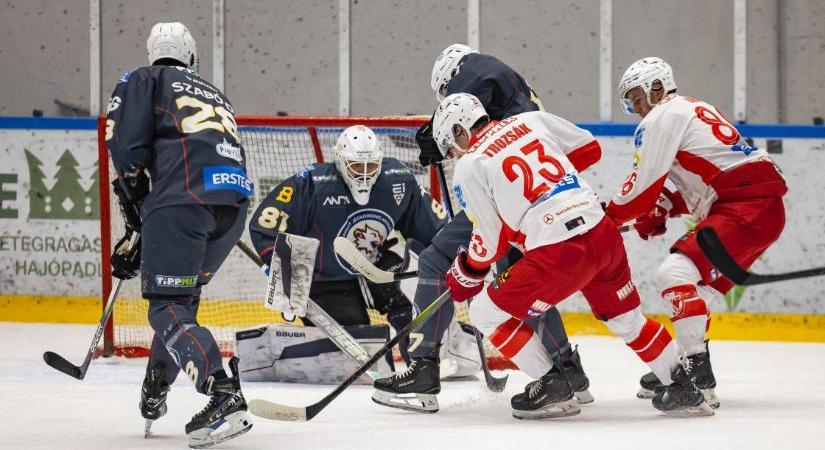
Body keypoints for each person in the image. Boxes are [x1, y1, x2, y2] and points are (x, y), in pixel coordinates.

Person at [433, 93, 714, 419]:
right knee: (628, 321)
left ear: (459, 130)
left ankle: (551, 387)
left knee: (484, 312)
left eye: (451, 146)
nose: (454, 154)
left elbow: (491, 241)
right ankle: (683, 389)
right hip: (601, 231)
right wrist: (554, 189)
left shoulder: (470, 165)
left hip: (558, 251)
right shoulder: (529, 120)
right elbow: (589, 149)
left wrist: (466, 271)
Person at [373, 44, 598, 413]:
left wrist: (436, 127)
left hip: (509, 202)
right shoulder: (515, 92)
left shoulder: (475, 68)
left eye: (446, 95)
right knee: (522, 282)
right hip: (536, 202)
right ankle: (568, 370)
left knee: (433, 261)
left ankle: (422, 369)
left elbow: (469, 93)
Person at [605, 57, 788, 408]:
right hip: (759, 206)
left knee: (673, 272)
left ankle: (697, 377)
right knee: (695, 285)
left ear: (658, 87)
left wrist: (612, 217)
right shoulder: (693, 108)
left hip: (744, 206)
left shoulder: (662, 117)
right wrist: (662, 207)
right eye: (631, 102)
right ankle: (681, 363)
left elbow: (641, 186)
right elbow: (704, 181)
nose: (637, 107)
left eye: (638, 97)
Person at [105, 22, 253, 447]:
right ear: (191, 55)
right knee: (181, 304)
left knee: (166, 305)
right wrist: (149, 228)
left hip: (182, 203)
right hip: (231, 207)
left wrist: (138, 212)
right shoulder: (214, 93)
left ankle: (221, 390)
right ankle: (157, 385)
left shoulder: (142, 78)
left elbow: (126, 148)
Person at [248, 125, 448, 364]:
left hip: (378, 264)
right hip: (327, 278)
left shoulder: (398, 180)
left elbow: (435, 229)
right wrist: (279, 266)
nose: (364, 175)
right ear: (341, 161)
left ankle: (422, 362)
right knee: (354, 348)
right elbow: (266, 222)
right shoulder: (313, 184)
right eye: (356, 166)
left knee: (409, 298)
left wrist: (456, 257)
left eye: (371, 166)